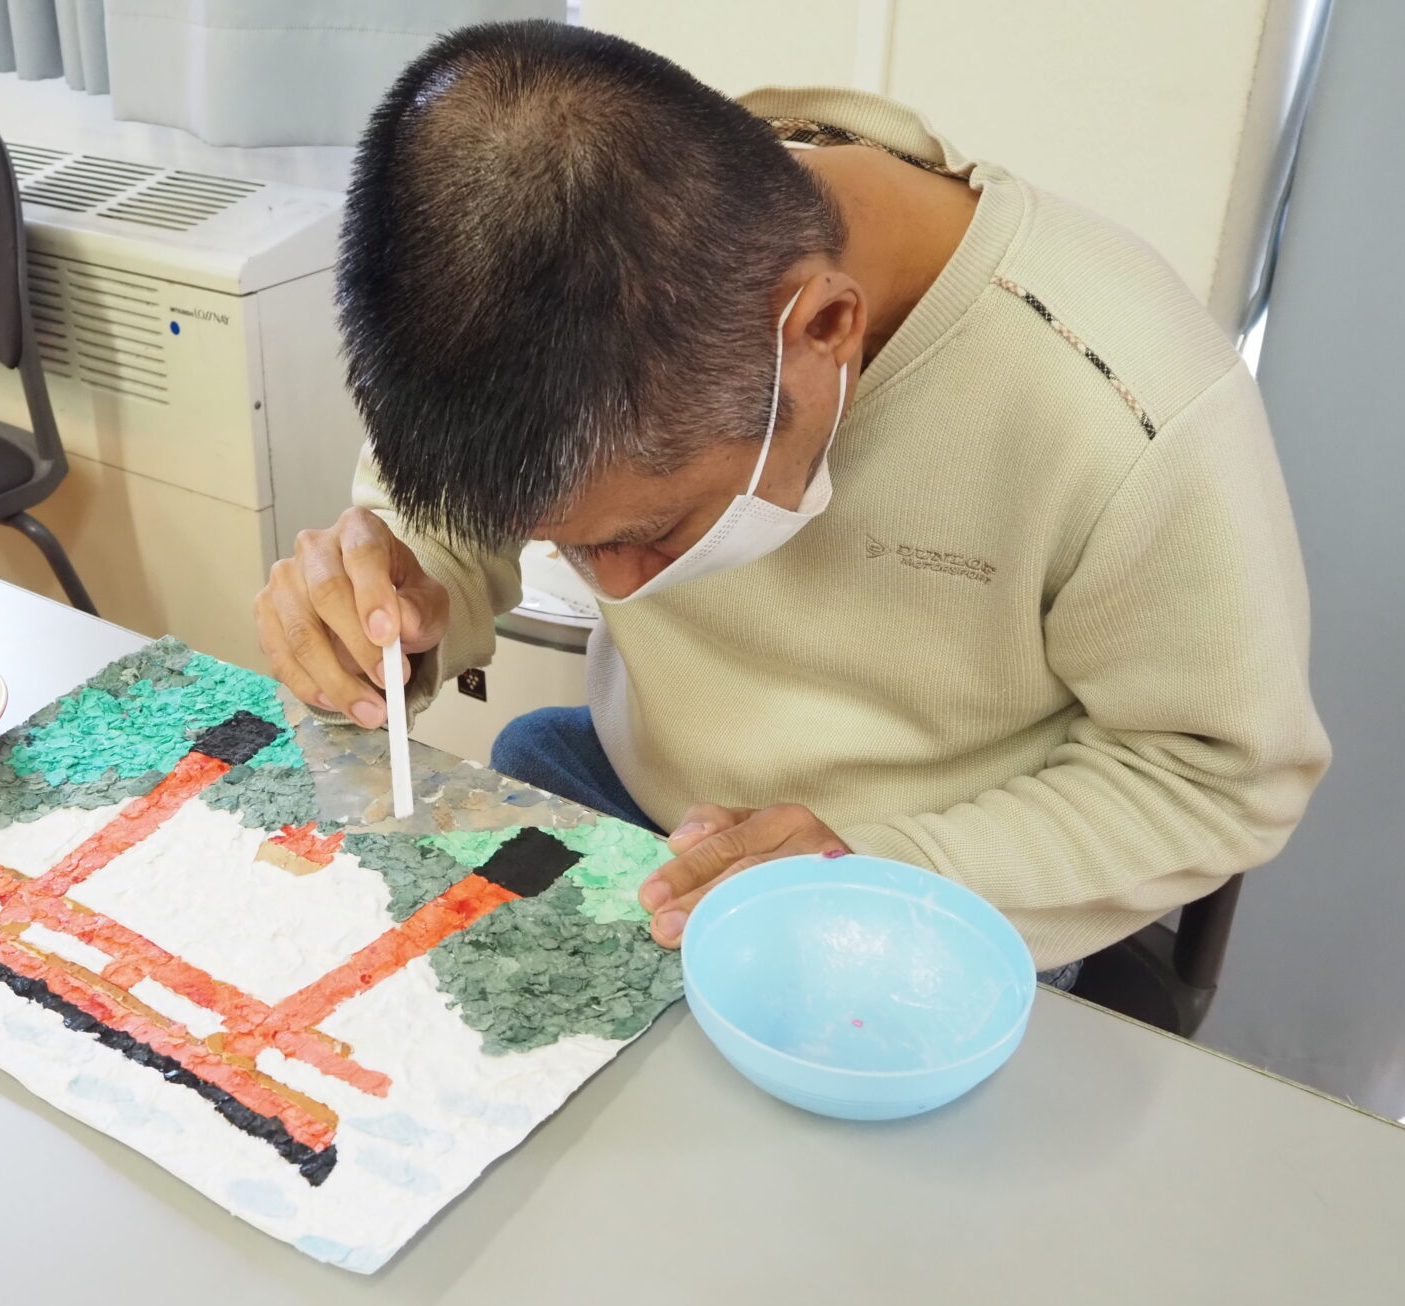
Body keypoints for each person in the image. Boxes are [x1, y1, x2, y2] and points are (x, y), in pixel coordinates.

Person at [253, 20, 1330, 979]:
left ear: (823, 330)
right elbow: (448, 505)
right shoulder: (554, 274)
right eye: (569, 548)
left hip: (929, 883)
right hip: (638, 796)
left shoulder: (1125, 403)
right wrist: (404, 584)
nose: (618, 590)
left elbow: (1211, 776)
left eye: (648, 534)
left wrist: (882, 870)